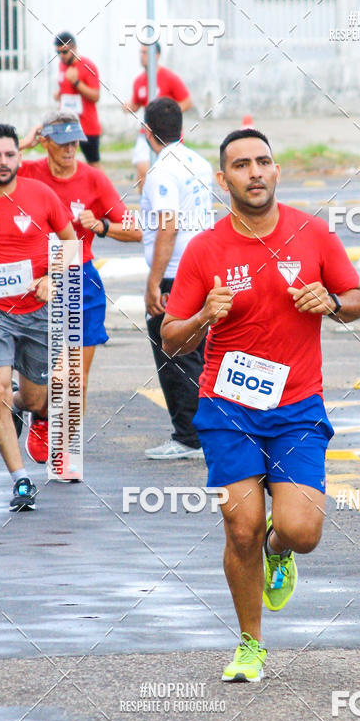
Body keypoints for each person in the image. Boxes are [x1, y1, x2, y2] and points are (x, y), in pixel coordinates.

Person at [161, 128, 360, 682]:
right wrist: (205, 315)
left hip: (297, 406)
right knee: (242, 527)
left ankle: (281, 549)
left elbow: (358, 299)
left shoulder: (314, 234)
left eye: (263, 162)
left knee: (302, 532)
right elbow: (170, 338)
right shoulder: (206, 250)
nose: (254, 172)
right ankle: (250, 645)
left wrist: (332, 302)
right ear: (222, 178)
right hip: (227, 409)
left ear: (276, 171)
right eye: (241, 164)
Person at [0, 123, 76, 511]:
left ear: (20, 155)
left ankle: (29, 410)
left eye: (10, 154)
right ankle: (21, 480)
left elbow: (71, 243)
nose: (3, 162)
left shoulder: (41, 195)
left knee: (35, 397)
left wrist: (51, 277)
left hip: (36, 312)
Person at [16, 110, 141, 408]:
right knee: (42, 383)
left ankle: (64, 452)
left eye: (75, 142)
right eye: (62, 142)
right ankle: (28, 408)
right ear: (45, 142)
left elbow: (135, 230)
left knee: (75, 381)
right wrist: (21, 145)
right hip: (35, 279)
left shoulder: (94, 179)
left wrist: (102, 225)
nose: (71, 149)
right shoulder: (28, 171)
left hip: (78, 277)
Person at [140, 97, 212, 460]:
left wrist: (154, 282)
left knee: (173, 353)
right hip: (203, 269)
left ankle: (188, 437)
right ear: (181, 129)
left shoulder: (161, 172)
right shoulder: (199, 162)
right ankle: (205, 432)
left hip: (175, 274)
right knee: (198, 354)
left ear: (147, 133)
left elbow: (167, 227)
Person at [123, 43, 193, 191]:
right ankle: (148, 208)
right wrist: (128, 107)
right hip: (147, 133)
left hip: (167, 136)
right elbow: (136, 103)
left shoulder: (170, 78)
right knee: (143, 171)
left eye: (145, 53)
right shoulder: (139, 81)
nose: (141, 56)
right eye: (140, 52)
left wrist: (168, 114)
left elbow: (187, 102)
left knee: (170, 174)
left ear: (156, 55)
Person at [54, 32, 102, 167]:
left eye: (65, 52)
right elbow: (66, 91)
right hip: (66, 124)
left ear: (74, 49)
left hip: (86, 125)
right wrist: (59, 94)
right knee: (63, 162)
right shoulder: (62, 66)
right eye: (59, 53)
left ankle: (104, 188)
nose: (62, 56)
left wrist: (76, 83)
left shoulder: (88, 66)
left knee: (93, 163)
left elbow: (95, 96)